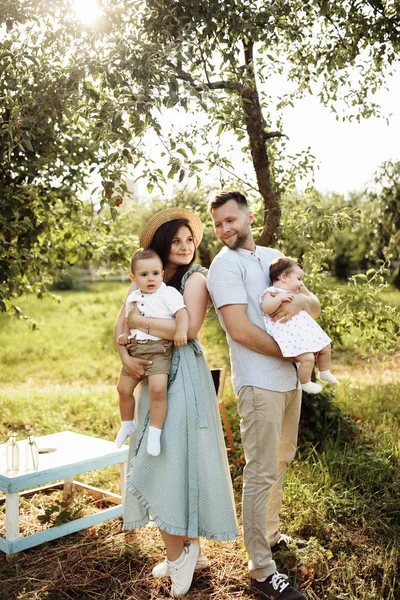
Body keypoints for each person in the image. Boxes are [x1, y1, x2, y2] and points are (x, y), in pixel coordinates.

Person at [114, 207, 238, 598]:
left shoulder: (195, 279)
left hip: (182, 372)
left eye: (190, 240)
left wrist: (140, 324)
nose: (185, 246)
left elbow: (188, 330)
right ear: (161, 245)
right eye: (177, 240)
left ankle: (183, 552)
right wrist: (126, 358)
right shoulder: (148, 279)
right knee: (164, 455)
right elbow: (120, 323)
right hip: (150, 369)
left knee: (170, 457)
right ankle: (184, 551)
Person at [207, 191, 314, 600]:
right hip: (258, 382)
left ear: (249, 217)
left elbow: (311, 305)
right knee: (260, 470)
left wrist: (303, 301)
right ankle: (260, 569)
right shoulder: (223, 267)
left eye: (230, 220)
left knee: (282, 458)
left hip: (289, 381)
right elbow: (240, 330)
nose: (225, 229)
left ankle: (270, 535)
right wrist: (293, 353)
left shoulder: (273, 257)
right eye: (218, 224)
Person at [115, 247, 189, 455]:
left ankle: (155, 434)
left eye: (155, 273)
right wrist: (125, 334)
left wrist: (181, 330)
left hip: (159, 349)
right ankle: (127, 423)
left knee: (158, 390)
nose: (151, 279)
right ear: (134, 277)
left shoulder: (168, 293)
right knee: (122, 389)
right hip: (136, 348)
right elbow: (128, 319)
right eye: (144, 275)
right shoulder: (134, 296)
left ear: (162, 274)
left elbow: (181, 314)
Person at [261, 255, 338, 395]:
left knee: (326, 346)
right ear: (283, 277)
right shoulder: (272, 292)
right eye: (299, 279)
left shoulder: (295, 291)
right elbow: (266, 308)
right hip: (290, 334)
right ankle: (305, 382)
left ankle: (324, 371)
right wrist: (278, 299)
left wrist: (301, 298)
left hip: (304, 330)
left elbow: (313, 306)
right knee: (307, 358)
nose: (301, 284)